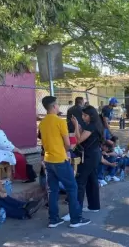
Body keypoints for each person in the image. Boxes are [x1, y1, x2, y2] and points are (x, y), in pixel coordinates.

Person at [39, 96, 90, 228]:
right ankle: (76, 219)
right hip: (60, 159)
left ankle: (53, 219)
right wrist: (69, 148)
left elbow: (44, 143)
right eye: (57, 105)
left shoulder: (42, 123)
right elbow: (68, 144)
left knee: (52, 190)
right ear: (54, 106)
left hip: (48, 159)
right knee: (72, 188)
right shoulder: (60, 122)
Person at [71, 105, 104, 214]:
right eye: (82, 115)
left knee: (80, 182)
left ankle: (76, 211)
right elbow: (86, 137)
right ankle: (94, 206)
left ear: (91, 115)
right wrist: (79, 128)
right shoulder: (95, 124)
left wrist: (76, 126)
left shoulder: (91, 126)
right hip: (95, 154)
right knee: (92, 180)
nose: (83, 117)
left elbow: (78, 139)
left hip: (89, 156)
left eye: (85, 115)